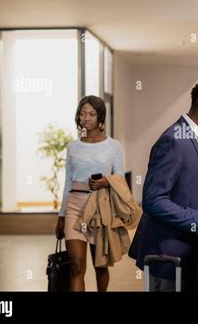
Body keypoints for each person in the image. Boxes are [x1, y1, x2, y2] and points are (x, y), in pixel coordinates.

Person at [136, 79, 198, 291]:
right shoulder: (173, 140)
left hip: (187, 253)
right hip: (167, 257)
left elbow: (188, 195)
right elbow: (153, 201)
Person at [55, 95, 124, 291]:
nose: (86, 118)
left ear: (100, 116)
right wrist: (61, 216)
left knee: (100, 266)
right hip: (75, 207)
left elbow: (119, 179)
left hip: (100, 209)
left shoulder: (114, 146)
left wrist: (105, 182)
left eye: (92, 114)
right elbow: (68, 181)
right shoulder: (73, 147)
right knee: (76, 266)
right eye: (83, 114)